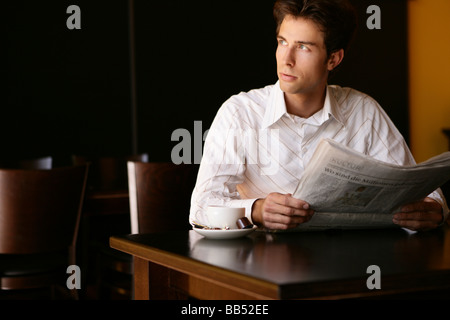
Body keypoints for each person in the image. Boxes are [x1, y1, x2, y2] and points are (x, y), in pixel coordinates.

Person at [190, 0, 448, 232]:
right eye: (282, 42)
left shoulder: (363, 111)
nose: (286, 59)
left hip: (349, 265)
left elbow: (423, 191)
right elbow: (200, 208)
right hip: (262, 267)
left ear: (333, 59)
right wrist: (256, 210)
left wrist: (434, 212)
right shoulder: (240, 113)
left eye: (303, 47)